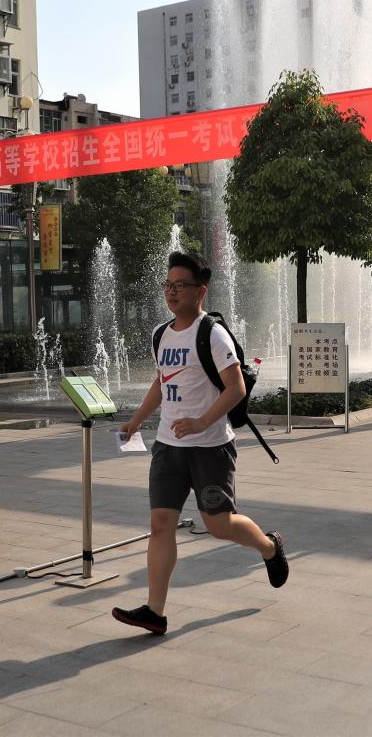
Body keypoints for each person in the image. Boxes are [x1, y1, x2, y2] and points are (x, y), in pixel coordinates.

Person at [112, 252, 287, 635]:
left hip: (210, 448)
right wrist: (136, 420)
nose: (172, 292)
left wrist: (202, 422)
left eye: (180, 286)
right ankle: (155, 611)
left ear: (200, 291)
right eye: (168, 285)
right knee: (161, 524)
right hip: (167, 447)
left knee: (219, 524)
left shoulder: (212, 334)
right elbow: (162, 381)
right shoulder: (161, 334)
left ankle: (269, 547)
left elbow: (236, 387)